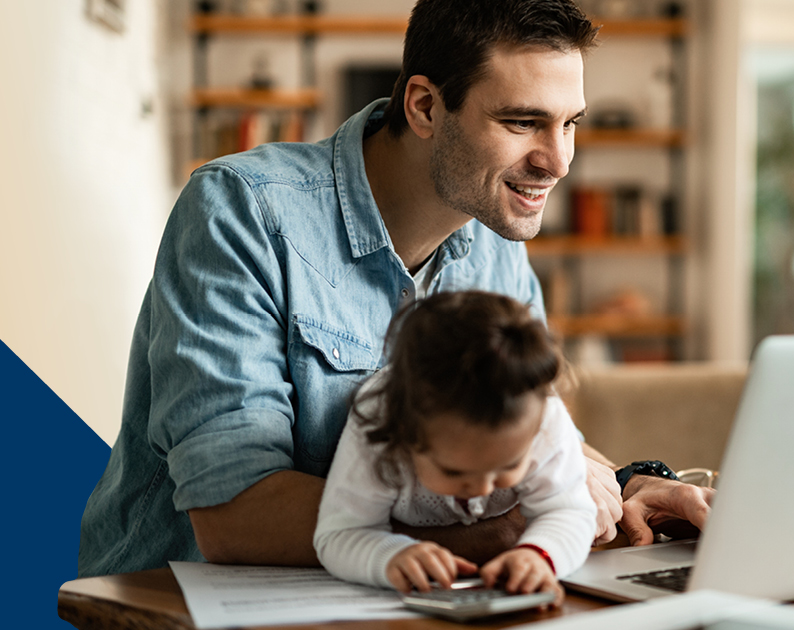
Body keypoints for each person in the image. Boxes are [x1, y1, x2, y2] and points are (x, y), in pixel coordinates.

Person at [78, 0, 714, 579]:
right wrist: (504, 534)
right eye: (524, 122)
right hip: (180, 604)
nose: (559, 160)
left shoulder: (495, 244)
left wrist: (631, 488)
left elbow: (529, 435)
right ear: (426, 107)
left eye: (570, 123)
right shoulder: (243, 211)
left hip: (396, 605)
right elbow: (231, 514)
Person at [315, 291, 593, 607]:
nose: (482, 487)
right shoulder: (379, 419)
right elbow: (339, 532)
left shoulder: (544, 414)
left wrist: (540, 554)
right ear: (406, 434)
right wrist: (389, 555)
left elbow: (569, 510)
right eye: (454, 471)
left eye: (508, 467)